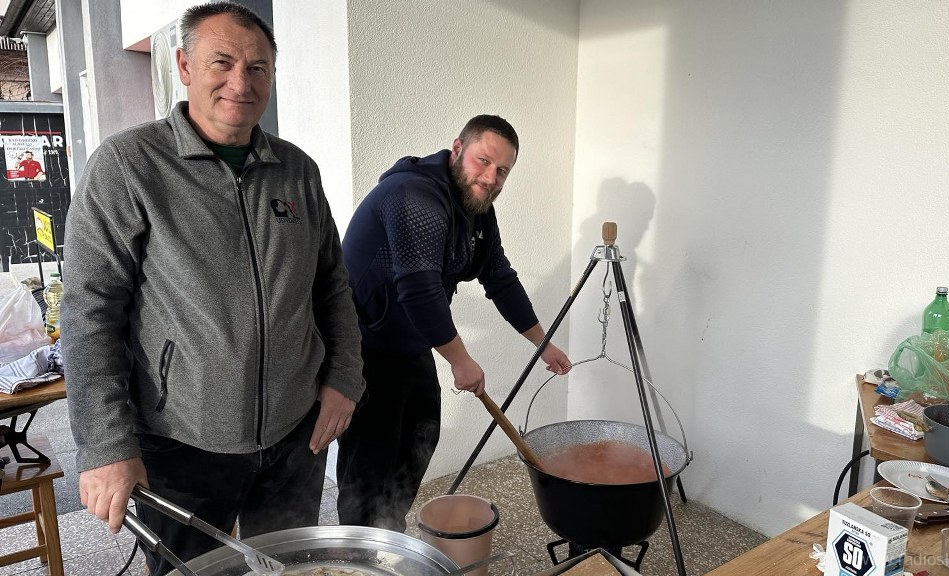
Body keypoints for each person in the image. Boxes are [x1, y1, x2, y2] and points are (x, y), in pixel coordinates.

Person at [60, 3, 364, 574]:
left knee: (292, 567)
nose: (240, 83)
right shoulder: (129, 166)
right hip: (182, 443)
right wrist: (105, 444)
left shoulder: (297, 170)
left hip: (294, 436)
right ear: (184, 65)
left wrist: (345, 377)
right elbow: (88, 313)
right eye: (221, 62)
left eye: (258, 68)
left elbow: (332, 286)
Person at [336, 114, 572, 531]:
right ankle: (359, 545)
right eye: (484, 161)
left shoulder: (478, 210)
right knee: (371, 457)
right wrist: (461, 361)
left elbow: (500, 278)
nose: (491, 178)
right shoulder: (413, 194)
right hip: (361, 342)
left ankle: (387, 531)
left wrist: (542, 343)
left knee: (421, 435)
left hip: (408, 338)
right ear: (458, 149)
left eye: (503, 171)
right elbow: (420, 289)